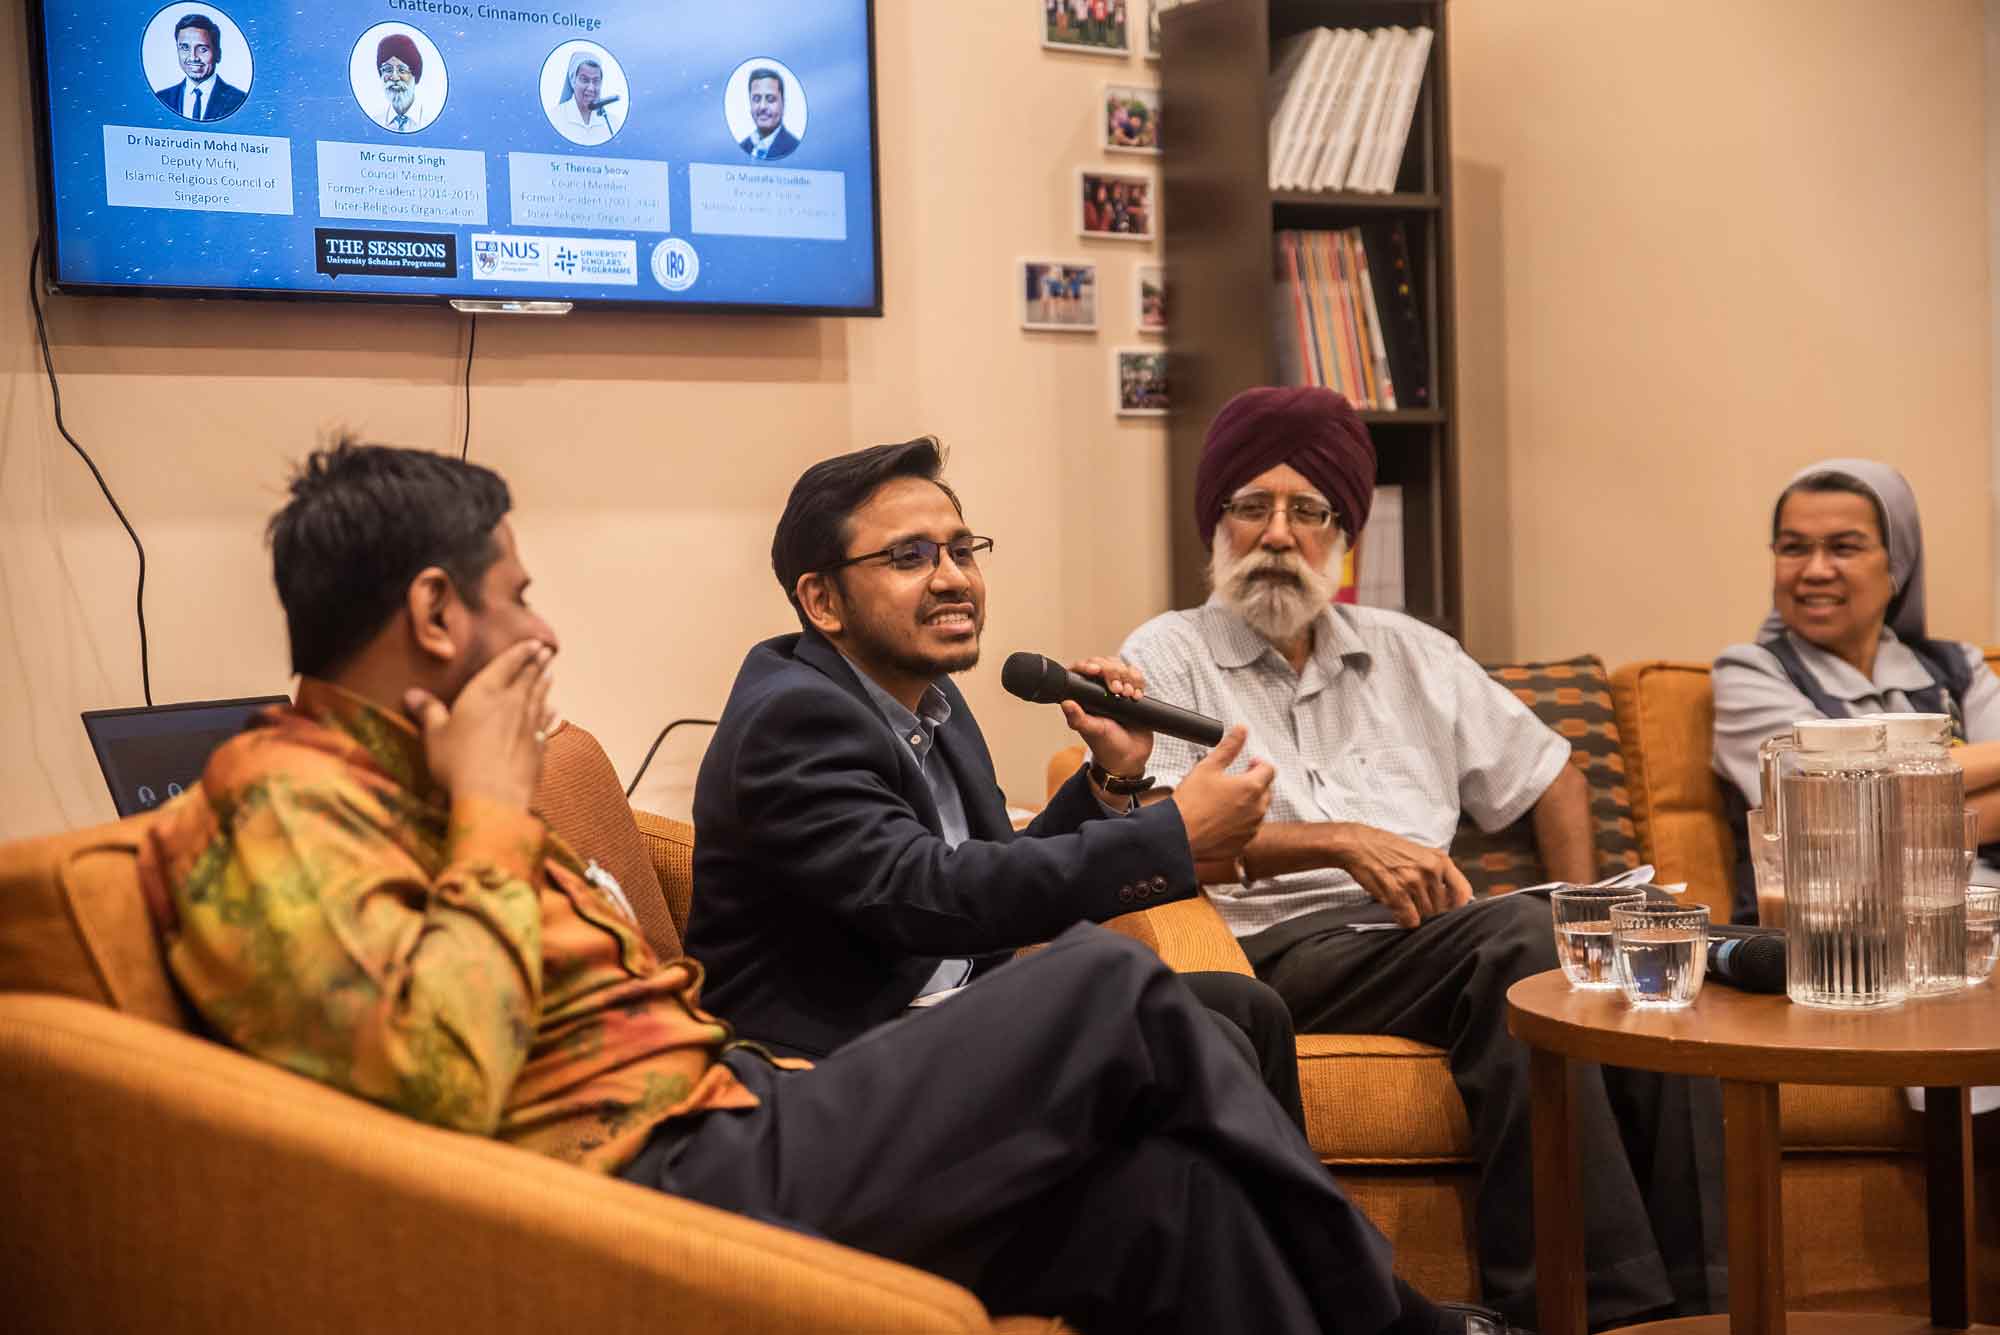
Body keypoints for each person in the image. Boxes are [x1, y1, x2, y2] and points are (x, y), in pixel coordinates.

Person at [136, 438, 1513, 1335]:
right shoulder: (284, 803)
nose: (546, 628)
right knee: (1122, 987)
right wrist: (497, 816)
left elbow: (973, 869)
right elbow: (434, 1075)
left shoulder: (422, 781)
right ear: (438, 615)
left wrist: (1101, 797)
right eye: (520, 593)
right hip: (655, 1180)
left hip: (739, 1107)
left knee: (1171, 1201)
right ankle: (1397, 1324)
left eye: (961, 547)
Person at [1117, 385, 1727, 1331]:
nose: (1277, 533)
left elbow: (1551, 776)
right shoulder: (1169, 651)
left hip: (1429, 941)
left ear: (1342, 534)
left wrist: (1581, 903)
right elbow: (1162, 839)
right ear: (1216, 525)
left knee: (1645, 947)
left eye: (1308, 510)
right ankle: (1582, 1308)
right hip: (1283, 949)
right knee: (1517, 943)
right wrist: (1339, 841)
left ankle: (1710, 1301)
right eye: (1250, 507)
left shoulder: (1410, 651)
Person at [686, 438, 1314, 1134]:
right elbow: (930, 895)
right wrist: (1173, 835)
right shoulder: (792, 718)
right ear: (822, 600)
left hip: (943, 1018)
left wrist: (1111, 776)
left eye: (962, 550)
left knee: (1244, 1008)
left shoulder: (932, 702)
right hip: (832, 1069)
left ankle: (1285, 1242)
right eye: (910, 556)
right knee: (1183, 1038)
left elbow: (988, 880)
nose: (954, 578)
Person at [1712, 460, 2000, 906]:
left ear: (1897, 565)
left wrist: (1888, 807)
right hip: (1839, 938)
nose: (1816, 570)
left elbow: (1864, 810)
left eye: (1844, 548)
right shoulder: (1750, 671)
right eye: (1793, 548)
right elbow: (1827, 814)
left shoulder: (1958, 666)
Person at [153, 13, 247, 123]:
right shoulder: (162, 98)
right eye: (184, 48)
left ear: (218, 54)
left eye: (202, 49)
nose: (193, 57)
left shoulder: (239, 101)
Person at [372, 32, 434, 134]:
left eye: (402, 70)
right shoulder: (375, 122)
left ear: (415, 75)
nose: (395, 77)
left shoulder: (430, 122)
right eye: (388, 70)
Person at [551, 50, 618, 145]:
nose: (591, 88)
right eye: (584, 80)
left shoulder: (612, 124)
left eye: (596, 81)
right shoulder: (555, 118)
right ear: (573, 80)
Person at [737, 67, 800, 161]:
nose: (762, 107)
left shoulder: (794, 148)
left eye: (770, 99)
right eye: (756, 99)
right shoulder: (742, 147)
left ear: (783, 104)